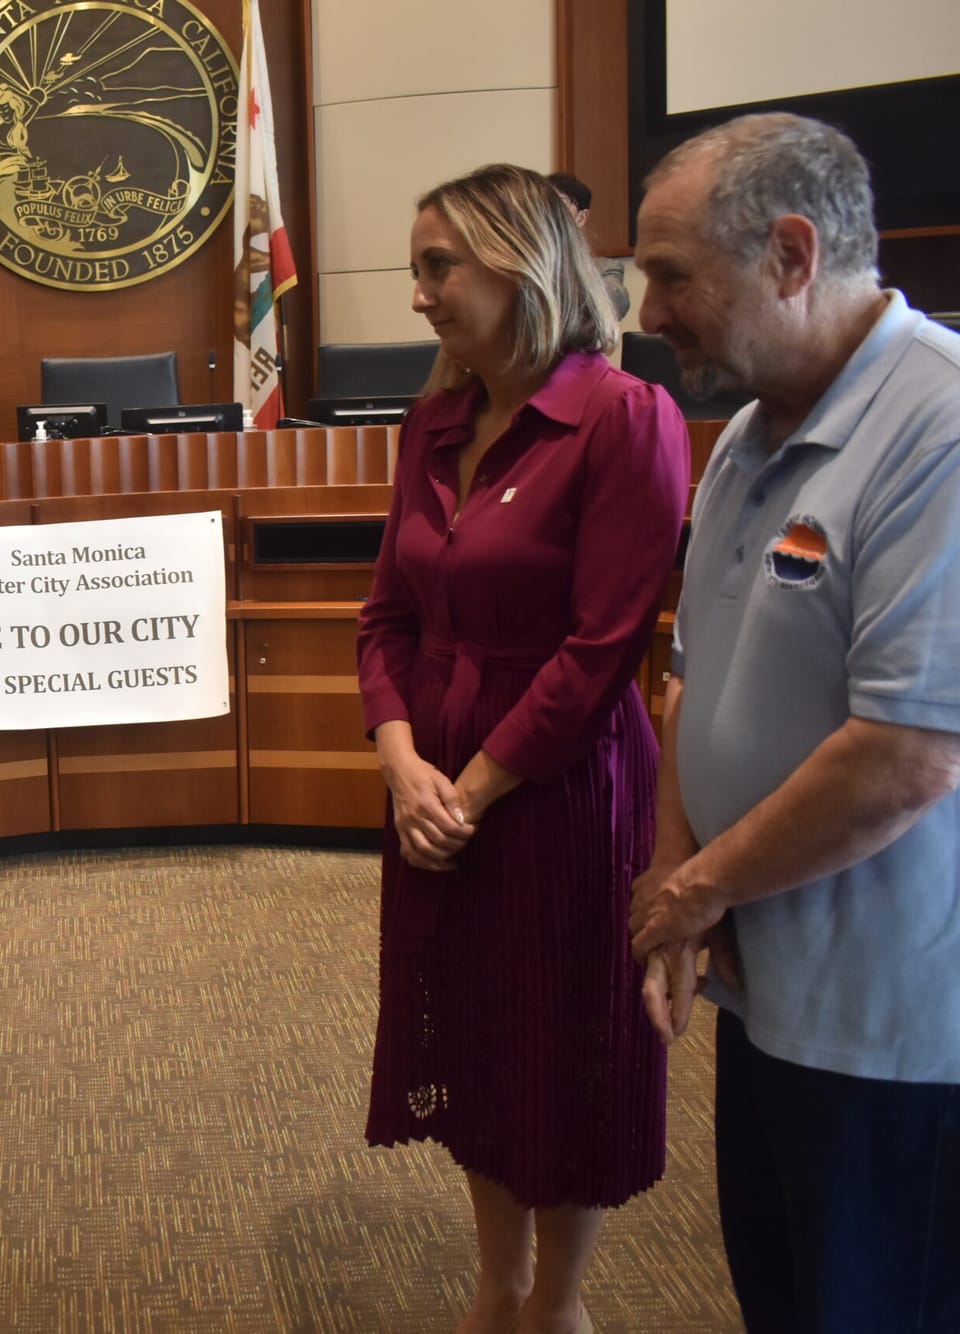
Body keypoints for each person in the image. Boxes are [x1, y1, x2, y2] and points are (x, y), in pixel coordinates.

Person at [628, 113, 960, 1333]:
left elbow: (905, 754)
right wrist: (680, 867)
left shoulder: (938, 426)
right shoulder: (745, 432)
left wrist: (694, 887)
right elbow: (688, 676)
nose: (649, 313)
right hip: (765, 996)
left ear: (788, 253)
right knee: (785, 1300)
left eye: (672, 276)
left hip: (892, 1033)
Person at [357, 164, 690, 1334]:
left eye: (436, 267)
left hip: (556, 791)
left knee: (558, 1047)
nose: (417, 295)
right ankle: (494, 1283)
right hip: (435, 788)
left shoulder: (623, 416)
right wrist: (401, 764)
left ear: (519, 264)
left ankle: (555, 1303)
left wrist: (466, 790)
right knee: (477, 1033)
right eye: (416, 270)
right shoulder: (431, 422)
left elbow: (600, 651)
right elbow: (384, 619)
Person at [546, 171, 632, 321]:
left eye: (560, 203)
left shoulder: (604, 269)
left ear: (581, 217)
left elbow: (613, 305)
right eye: (544, 203)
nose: (550, 211)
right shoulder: (522, 263)